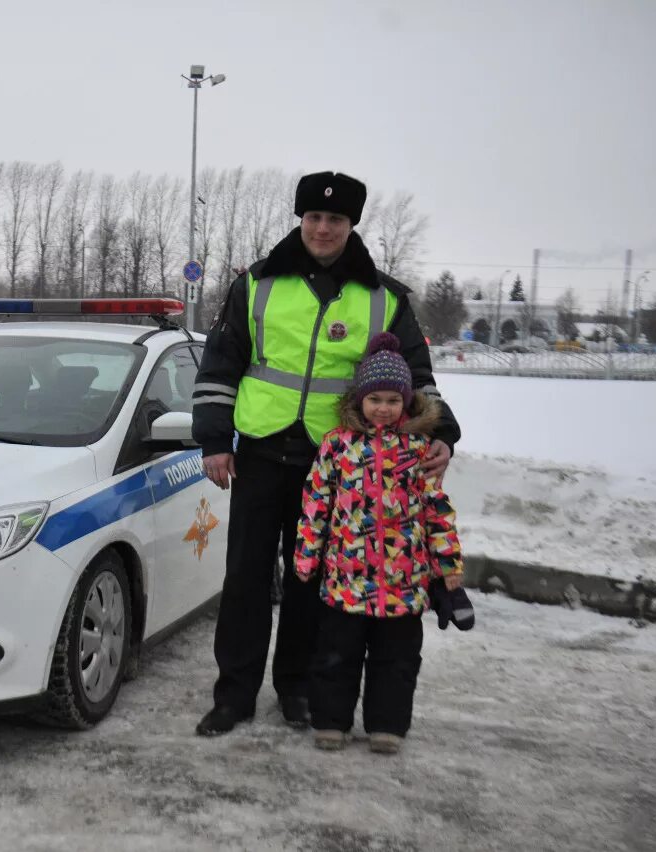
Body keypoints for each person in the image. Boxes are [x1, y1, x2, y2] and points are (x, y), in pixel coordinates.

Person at [191, 171, 461, 736]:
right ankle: (234, 695)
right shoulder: (257, 283)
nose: (323, 227)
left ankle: (297, 689)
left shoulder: (385, 297)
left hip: (336, 465)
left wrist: (444, 431)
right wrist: (215, 441)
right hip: (261, 452)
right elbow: (221, 365)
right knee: (243, 579)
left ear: (351, 224)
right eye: (314, 217)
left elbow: (415, 376)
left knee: (310, 583)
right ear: (300, 219)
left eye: (335, 219)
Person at [295, 333, 465, 753]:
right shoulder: (338, 445)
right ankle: (331, 721)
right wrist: (306, 556)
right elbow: (317, 502)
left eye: (393, 400)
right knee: (336, 655)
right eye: (375, 399)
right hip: (344, 578)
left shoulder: (419, 448)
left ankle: (387, 725)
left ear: (406, 403)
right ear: (360, 401)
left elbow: (436, 511)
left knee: (397, 660)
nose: (384, 408)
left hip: (403, 581)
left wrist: (449, 569)